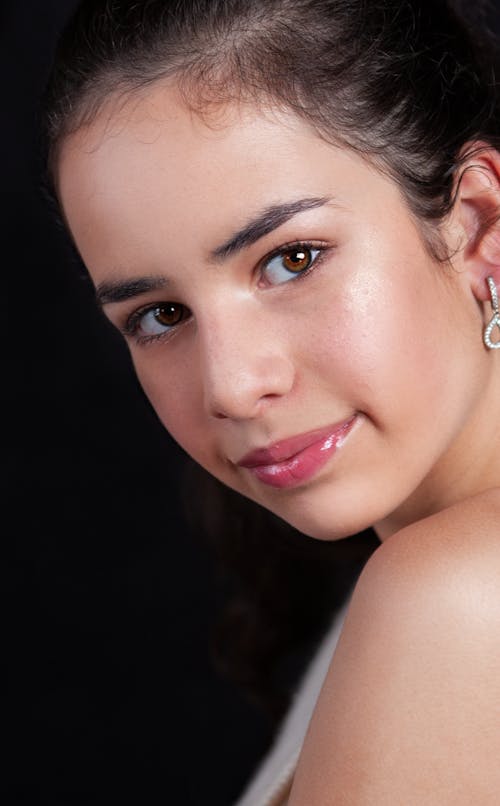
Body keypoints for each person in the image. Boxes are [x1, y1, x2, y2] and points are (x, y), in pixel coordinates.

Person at [41, 0, 500, 802]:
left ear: (477, 223)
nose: (230, 386)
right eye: (158, 316)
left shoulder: (451, 601)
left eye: (292, 259)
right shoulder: (402, 598)